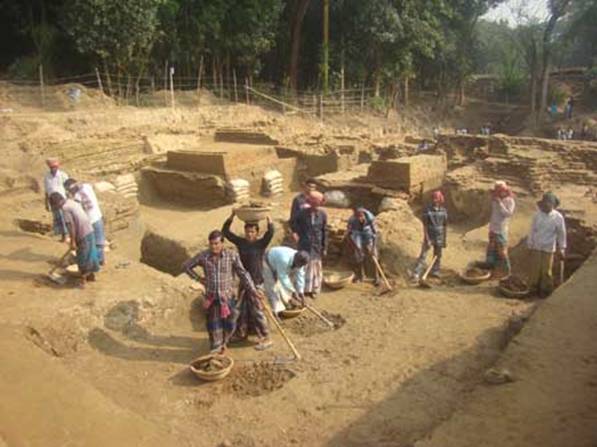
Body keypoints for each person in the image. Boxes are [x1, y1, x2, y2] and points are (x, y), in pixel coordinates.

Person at [182, 230, 258, 354]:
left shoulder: (231, 256)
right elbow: (186, 266)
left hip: (228, 298)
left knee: (231, 323)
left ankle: (225, 342)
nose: (214, 247)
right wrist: (199, 279)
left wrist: (253, 290)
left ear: (222, 243)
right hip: (212, 299)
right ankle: (216, 349)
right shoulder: (204, 256)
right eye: (211, 244)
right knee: (214, 326)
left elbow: (243, 274)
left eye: (217, 243)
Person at [221, 212, 274, 350]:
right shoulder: (241, 243)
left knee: (257, 310)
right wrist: (231, 216)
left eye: (252, 231)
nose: (249, 234)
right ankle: (241, 333)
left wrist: (269, 220)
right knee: (241, 309)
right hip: (244, 282)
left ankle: (266, 337)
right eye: (247, 231)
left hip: (256, 283)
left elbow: (270, 233)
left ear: (257, 232)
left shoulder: (261, 244)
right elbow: (226, 232)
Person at [49, 192, 99, 288]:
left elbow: (71, 226)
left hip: (82, 233)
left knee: (82, 257)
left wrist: (73, 241)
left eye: (54, 206)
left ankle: (83, 281)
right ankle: (91, 276)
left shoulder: (65, 209)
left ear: (56, 203)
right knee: (90, 254)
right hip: (89, 230)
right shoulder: (71, 202)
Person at [527, 192, 567, 298]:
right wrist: (530, 244)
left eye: (548, 204)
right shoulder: (537, 215)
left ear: (553, 205)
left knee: (546, 270)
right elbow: (532, 230)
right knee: (535, 269)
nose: (546, 206)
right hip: (536, 245)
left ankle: (545, 290)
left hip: (549, 248)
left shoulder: (558, 217)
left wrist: (562, 248)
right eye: (544, 204)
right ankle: (533, 289)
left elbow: (561, 234)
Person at [291, 190, 327, 298]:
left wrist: (325, 247)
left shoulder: (322, 215)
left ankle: (314, 289)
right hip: (304, 243)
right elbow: (292, 222)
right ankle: (303, 289)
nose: (315, 206)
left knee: (315, 268)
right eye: (313, 204)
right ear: (310, 203)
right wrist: (295, 232)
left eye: (317, 204)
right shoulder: (302, 213)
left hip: (317, 244)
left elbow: (325, 231)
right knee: (303, 266)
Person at [64, 179, 106, 265]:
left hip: (89, 222)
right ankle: (100, 259)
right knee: (99, 241)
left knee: (90, 244)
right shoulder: (87, 187)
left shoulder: (76, 198)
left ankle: (94, 261)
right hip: (97, 217)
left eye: (68, 190)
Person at [411, 190, 448, 281]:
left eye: (437, 198)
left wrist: (444, 239)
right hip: (430, 236)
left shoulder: (443, 211)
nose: (435, 200)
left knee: (437, 255)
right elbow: (425, 225)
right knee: (423, 255)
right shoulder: (427, 210)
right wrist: (427, 238)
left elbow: (445, 226)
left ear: (440, 199)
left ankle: (435, 271)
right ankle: (416, 273)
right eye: (434, 198)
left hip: (439, 236)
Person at [262, 247, 309, 317]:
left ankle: (286, 302)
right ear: (296, 260)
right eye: (299, 265)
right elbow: (283, 278)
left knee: (281, 285)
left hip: (276, 263)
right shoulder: (284, 259)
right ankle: (277, 311)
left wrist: (301, 294)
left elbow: (300, 277)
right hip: (266, 261)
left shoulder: (301, 260)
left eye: (301, 265)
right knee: (272, 287)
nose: (300, 267)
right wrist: (293, 292)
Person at [486, 180, 516, 278]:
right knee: (491, 249)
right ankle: (493, 269)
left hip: (501, 229)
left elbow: (507, 214)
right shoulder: (495, 199)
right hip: (493, 228)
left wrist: (500, 203)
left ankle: (506, 271)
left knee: (502, 251)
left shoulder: (509, 201)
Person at [346, 207, 379, 285]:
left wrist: (373, 248)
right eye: (358, 217)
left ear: (364, 215)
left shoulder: (370, 218)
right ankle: (361, 276)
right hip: (356, 232)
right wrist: (357, 248)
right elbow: (349, 235)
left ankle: (376, 277)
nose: (360, 219)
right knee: (358, 256)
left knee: (374, 255)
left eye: (361, 217)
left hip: (368, 231)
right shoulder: (352, 220)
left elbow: (375, 234)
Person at [43, 158, 69, 242]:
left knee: (63, 217)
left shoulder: (63, 175)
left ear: (57, 167)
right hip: (52, 200)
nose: (53, 168)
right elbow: (47, 190)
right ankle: (62, 235)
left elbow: (68, 187)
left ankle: (66, 235)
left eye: (55, 167)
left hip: (62, 200)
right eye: (52, 167)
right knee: (57, 217)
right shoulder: (47, 176)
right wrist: (46, 203)